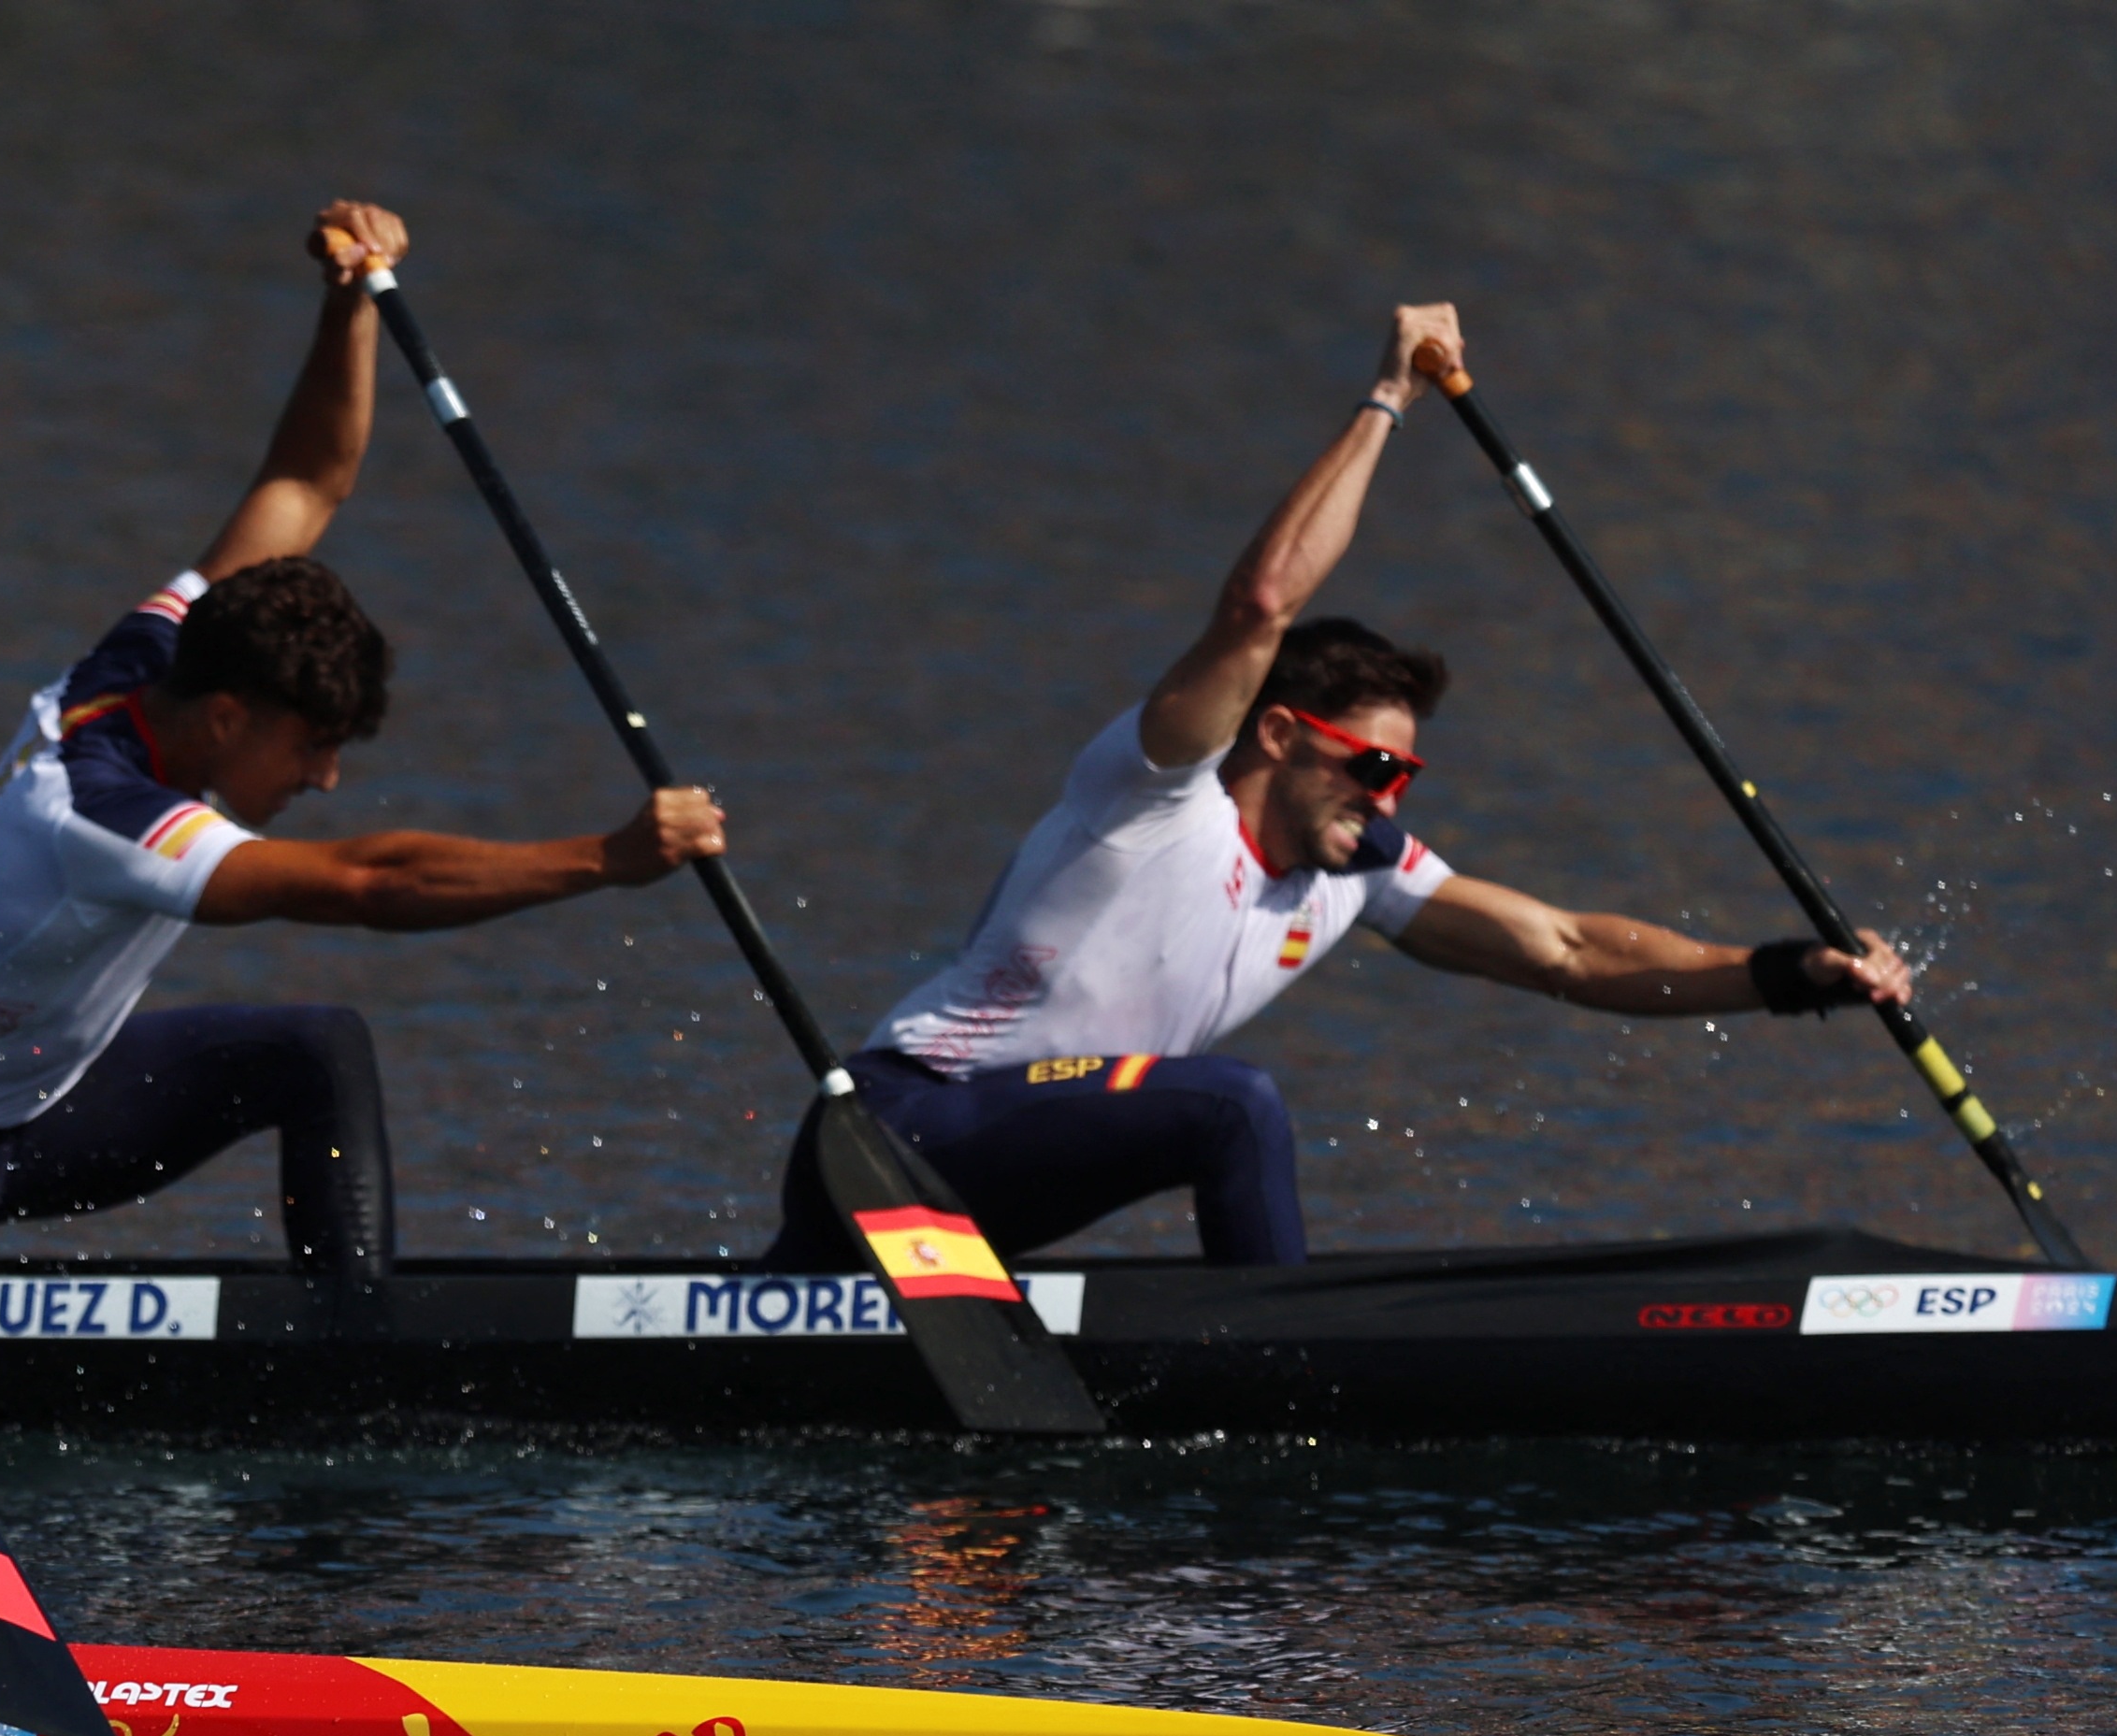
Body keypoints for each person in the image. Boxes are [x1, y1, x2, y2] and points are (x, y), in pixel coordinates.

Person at [0, 198, 725, 1284]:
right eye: (313, 748)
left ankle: (353, 1353)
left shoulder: (153, 654)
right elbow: (367, 883)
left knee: (315, 1052)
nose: (324, 780)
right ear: (229, 717)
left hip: (40, 1110)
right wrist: (606, 860)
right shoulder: (98, 815)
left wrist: (349, 305)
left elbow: (304, 485)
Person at [768, 301, 1912, 1272]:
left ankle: (1262, 1357)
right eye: (1374, 765)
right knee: (1233, 1102)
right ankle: (1285, 1381)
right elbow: (1259, 606)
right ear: (1276, 731)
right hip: (885, 1139)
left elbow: (1574, 953)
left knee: (1225, 1105)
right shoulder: (1153, 794)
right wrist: (1387, 399)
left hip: (983, 1209)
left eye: (1407, 772)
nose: (1391, 797)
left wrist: (1795, 974)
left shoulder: (1358, 873)